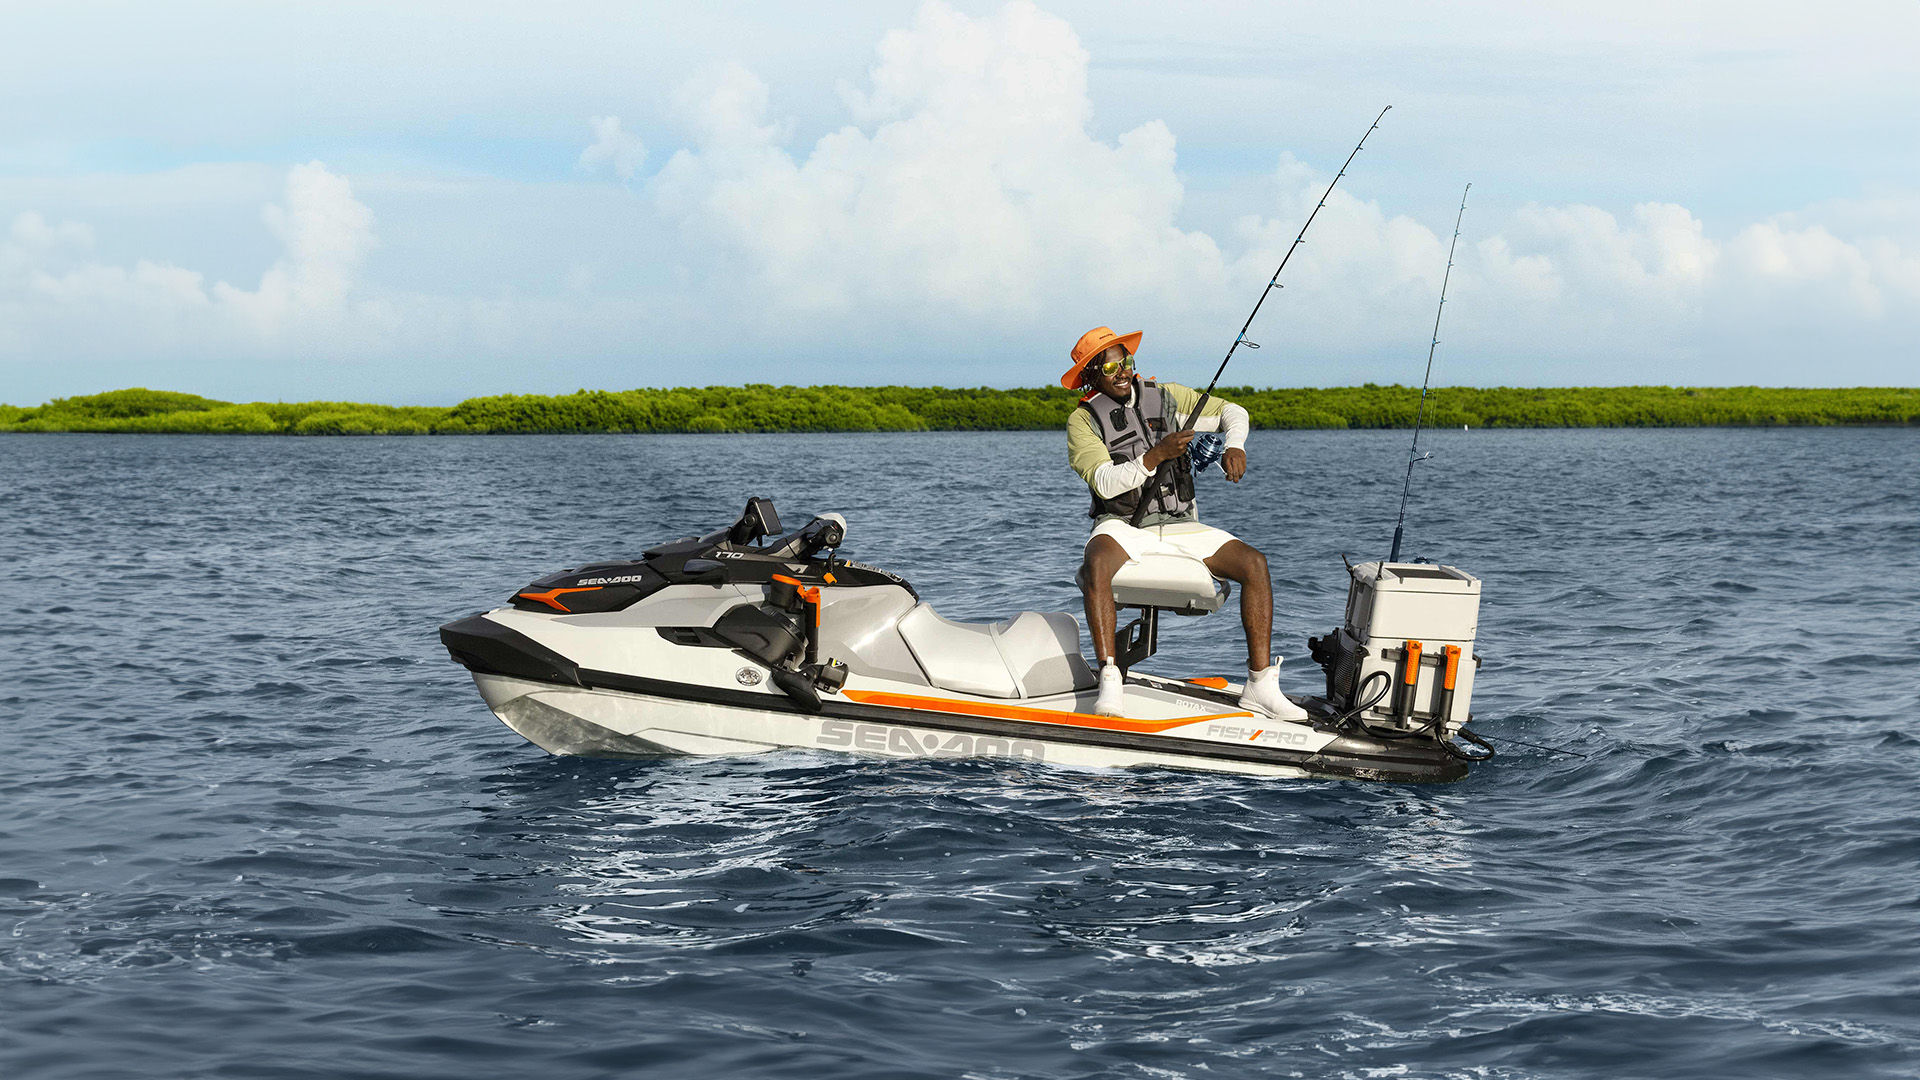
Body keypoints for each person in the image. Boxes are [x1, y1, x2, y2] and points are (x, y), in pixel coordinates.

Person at [1063, 325, 1308, 720]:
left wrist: (1234, 445)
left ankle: (1260, 685)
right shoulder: (1083, 421)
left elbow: (1234, 412)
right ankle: (1110, 678)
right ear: (1091, 377)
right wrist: (1156, 455)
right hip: (1124, 525)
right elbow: (1106, 482)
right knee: (1096, 564)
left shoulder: (1168, 396)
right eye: (1111, 369)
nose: (1123, 372)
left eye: (1126, 362)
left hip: (1181, 524)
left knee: (1254, 564)